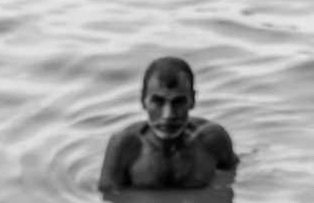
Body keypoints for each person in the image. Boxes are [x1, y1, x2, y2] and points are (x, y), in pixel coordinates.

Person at [99, 57, 239, 191]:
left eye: (178, 102)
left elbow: (234, 177)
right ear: (143, 100)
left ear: (192, 100)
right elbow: (109, 201)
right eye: (158, 102)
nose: (168, 115)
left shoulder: (213, 140)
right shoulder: (125, 147)